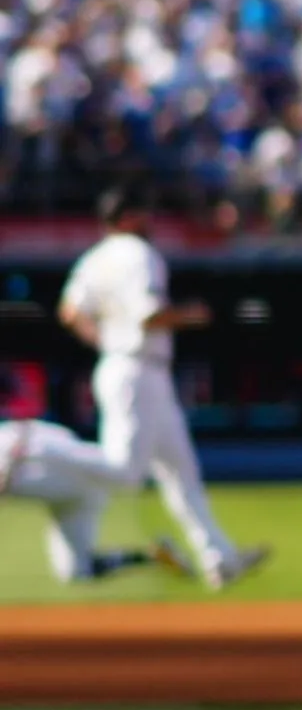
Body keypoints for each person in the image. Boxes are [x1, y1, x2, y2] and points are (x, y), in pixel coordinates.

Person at [59, 189, 270, 589]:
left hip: (129, 367)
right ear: (125, 219)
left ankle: (218, 558)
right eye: (141, 213)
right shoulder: (138, 254)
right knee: (124, 471)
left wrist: (103, 340)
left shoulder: (95, 258)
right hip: (137, 370)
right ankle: (38, 453)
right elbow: (149, 316)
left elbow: (69, 311)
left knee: (181, 472)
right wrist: (194, 315)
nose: (148, 220)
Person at [0, 419, 185, 583]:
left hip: (47, 454)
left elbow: (25, 429)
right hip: (72, 498)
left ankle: (163, 451)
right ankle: (155, 555)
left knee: (124, 472)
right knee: (76, 572)